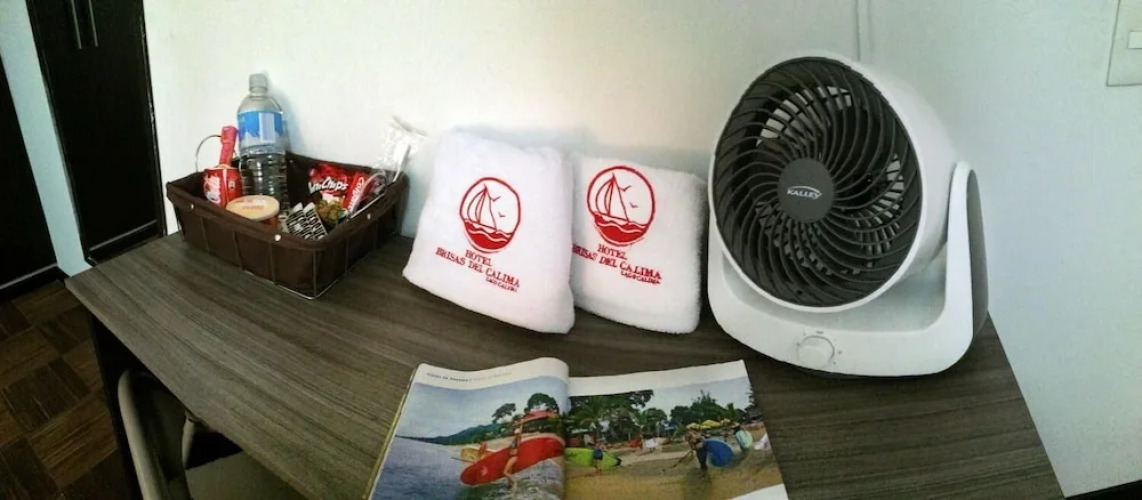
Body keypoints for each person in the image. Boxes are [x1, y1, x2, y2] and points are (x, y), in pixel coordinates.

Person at [504, 425, 523, 489]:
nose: (516, 434)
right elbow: (509, 447)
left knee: (505, 472)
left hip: (514, 457)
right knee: (509, 472)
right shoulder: (514, 439)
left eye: (517, 433)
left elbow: (520, 433)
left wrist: (521, 424)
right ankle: (509, 485)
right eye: (515, 433)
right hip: (510, 457)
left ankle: (514, 483)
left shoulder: (518, 439)